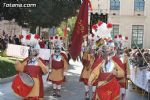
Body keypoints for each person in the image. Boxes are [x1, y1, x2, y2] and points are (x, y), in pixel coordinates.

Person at [12, 34, 48, 100]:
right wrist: (17, 63)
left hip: (37, 86)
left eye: (34, 50)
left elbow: (45, 71)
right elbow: (20, 69)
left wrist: (41, 65)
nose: (32, 52)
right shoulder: (26, 60)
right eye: (31, 50)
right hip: (27, 85)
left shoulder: (40, 60)